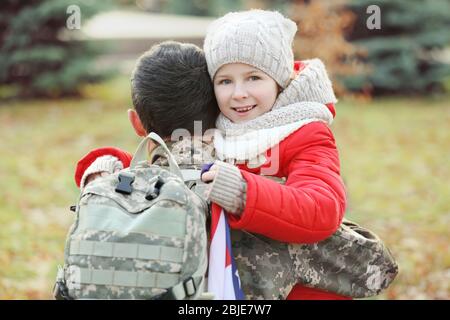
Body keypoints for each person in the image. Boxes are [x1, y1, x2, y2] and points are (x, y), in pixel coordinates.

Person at [75, 41, 397, 300]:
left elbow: (158, 168)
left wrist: (102, 169)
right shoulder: (250, 177)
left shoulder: (126, 197)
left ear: (136, 123)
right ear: (217, 107)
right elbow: (365, 261)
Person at [200, 9, 347, 300]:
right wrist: (110, 167)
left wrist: (243, 192)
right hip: (228, 288)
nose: (238, 93)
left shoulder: (305, 132)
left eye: (253, 77)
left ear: (279, 81)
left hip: (296, 290)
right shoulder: (208, 129)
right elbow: (166, 169)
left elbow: (322, 208)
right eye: (225, 81)